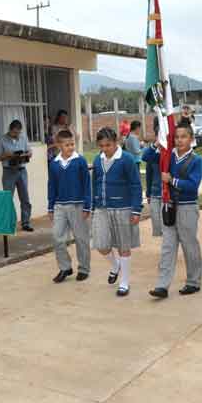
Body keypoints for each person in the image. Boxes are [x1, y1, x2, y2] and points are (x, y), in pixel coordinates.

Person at [149, 122, 202, 299]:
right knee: (168, 246)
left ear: (191, 139)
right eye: (177, 137)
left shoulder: (196, 160)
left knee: (189, 245)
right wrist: (157, 143)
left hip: (187, 206)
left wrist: (172, 181)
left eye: (184, 137)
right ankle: (162, 285)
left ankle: (193, 281)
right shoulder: (167, 155)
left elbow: (193, 185)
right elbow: (146, 157)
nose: (179, 140)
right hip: (169, 205)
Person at [91, 127, 143, 296]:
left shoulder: (126, 159)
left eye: (108, 145)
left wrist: (136, 210)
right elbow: (95, 183)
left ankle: (124, 282)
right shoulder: (97, 160)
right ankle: (115, 265)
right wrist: (93, 204)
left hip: (122, 208)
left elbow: (136, 185)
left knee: (123, 246)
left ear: (116, 143)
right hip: (101, 208)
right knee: (100, 244)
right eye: (101, 146)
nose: (105, 149)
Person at [47, 129, 91, 283]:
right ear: (59, 145)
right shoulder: (54, 164)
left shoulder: (80, 161)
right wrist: (50, 207)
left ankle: (84, 268)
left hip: (78, 205)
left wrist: (87, 205)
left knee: (81, 238)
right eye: (67, 145)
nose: (71, 147)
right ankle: (65, 267)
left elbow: (87, 184)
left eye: (72, 144)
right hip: (59, 206)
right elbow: (51, 186)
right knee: (57, 237)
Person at [0, 120, 33, 232]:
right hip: (9, 171)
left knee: (25, 198)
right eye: (15, 133)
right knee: (8, 199)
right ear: (10, 130)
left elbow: (29, 151)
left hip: (22, 170)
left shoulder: (23, 138)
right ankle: (8, 224)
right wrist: (6, 155)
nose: (17, 135)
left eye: (18, 132)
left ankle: (26, 223)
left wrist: (28, 154)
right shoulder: (1, 140)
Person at [142, 118, 163, 238]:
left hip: (169, 195)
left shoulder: (173, 151)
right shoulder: (153, 153)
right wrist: (148, 193)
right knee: (157, 228)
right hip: (155, 193)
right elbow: (145, 158)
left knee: (169, 228)